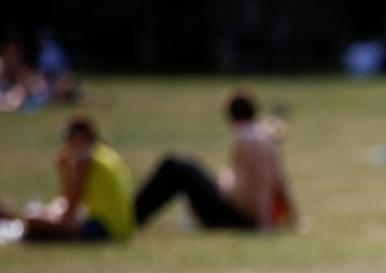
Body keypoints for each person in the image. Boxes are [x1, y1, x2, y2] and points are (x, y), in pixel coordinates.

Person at [133, 87, 296, 231]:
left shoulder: (246, 139)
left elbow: (262, 185)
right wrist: (292, 219)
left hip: (234, 215)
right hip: (239, 213)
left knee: (176, 166)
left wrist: (264, 224)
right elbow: (279, 183)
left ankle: (130, 217)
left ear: (231, 116)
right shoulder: (265, 137)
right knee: (182, 166)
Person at [0, 114, 133, 242]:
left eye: (69, 137)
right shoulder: (104, 153)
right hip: (120, 228)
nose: (66, 143)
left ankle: (12, 218)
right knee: (54, 208)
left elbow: (71, 206)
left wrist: (64, 170)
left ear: (82, 137)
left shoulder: (84, 160)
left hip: (102, 228)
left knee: (34, 221)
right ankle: (14, 218)